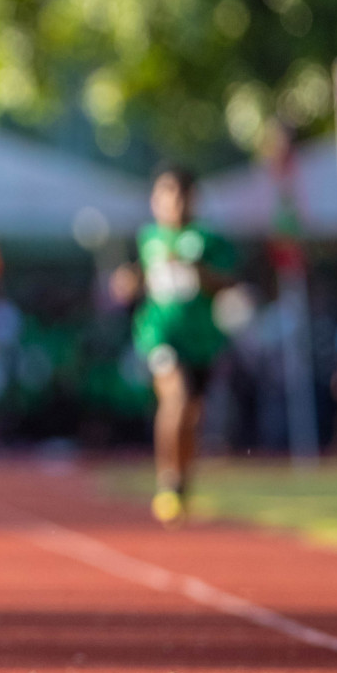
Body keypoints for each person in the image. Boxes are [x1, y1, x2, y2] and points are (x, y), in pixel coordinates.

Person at [109, 165, 235, 527]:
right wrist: (127, 283)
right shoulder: (148, 238)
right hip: (159, 335)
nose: (174, 204)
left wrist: (198, 269)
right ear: (155, 201)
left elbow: (228, 282)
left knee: (192, 415)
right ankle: (169, 481)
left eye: (182, 196)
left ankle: (184, 484)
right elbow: (137, 280)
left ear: (194, 199)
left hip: (202, 339)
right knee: (175, 397)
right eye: (167, 196)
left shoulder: (209, 240)